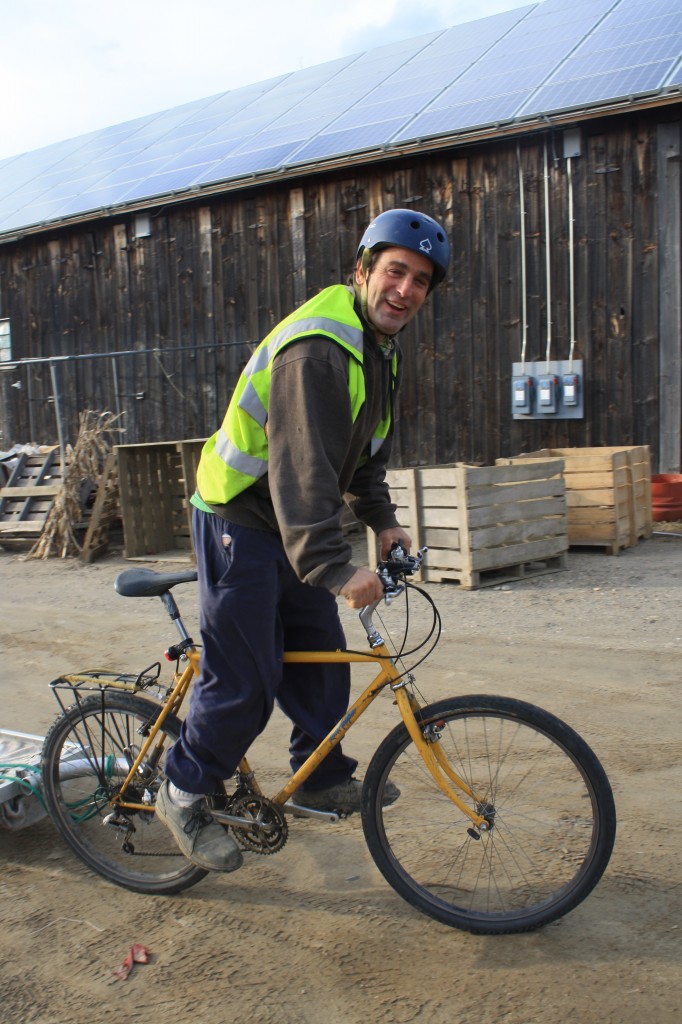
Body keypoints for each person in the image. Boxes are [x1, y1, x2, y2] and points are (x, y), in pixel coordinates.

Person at [155, 209, 451, 871]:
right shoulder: (320, 348)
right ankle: (182, 789)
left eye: (421, 281)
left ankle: (317, 777)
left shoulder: (379, 353)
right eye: (395, 271)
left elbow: (361, 457)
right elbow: (301, 469)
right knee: (247, 675)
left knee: (320, 651)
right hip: (240, 517)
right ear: (362, 271)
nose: (405, 290)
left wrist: (384, 522)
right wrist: (336, 566)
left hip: (287, 520)